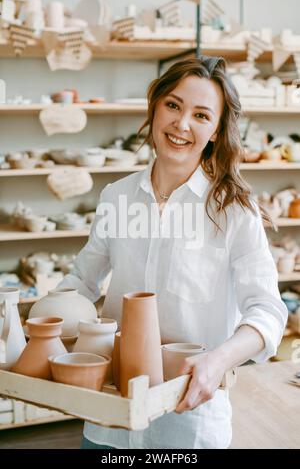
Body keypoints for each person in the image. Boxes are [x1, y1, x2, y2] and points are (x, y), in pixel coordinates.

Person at [58, 57, 287, 449]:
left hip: (189, 423)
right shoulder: (117, 196)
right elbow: (81, 281)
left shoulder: (233, 211)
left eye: (201, 115)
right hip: (110, 417)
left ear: (215, 131)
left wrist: (217, 361)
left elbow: (267, 312)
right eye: (173, 105)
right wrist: (39, 318)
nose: (182, 125)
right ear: (155, 107)